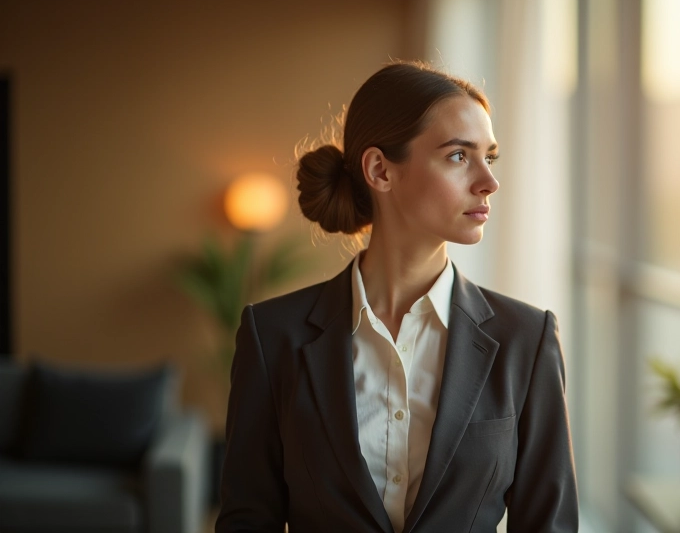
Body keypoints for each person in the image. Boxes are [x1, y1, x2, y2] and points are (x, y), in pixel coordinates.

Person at [215, 60, 579, 533]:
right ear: (380, 170)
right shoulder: (273, 337)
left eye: (489, 157)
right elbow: (247, 520)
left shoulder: (526, 340)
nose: (489, 182)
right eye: (458, 156)